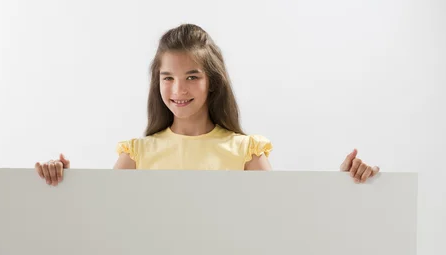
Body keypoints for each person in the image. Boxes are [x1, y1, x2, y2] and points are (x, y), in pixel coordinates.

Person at [35, 23, 379, 185]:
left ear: (212, 82)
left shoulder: (246, 151)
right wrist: (63, 181)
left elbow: (280, 221)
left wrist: (343, 185)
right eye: (167, 77)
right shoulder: (136, 154)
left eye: (192, 76)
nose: (178, 89)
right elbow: (100, 225)